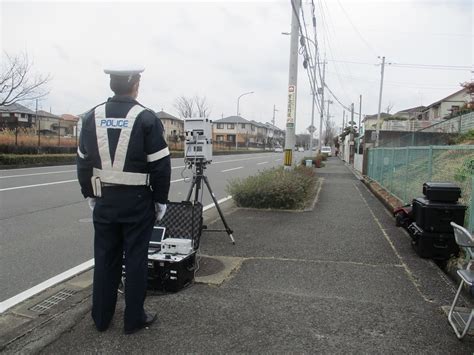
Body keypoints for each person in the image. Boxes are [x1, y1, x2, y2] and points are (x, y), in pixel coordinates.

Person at [77, 66, 171, 334]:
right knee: (136, 259)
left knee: (105, 258)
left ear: (112, 85)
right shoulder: (146, 118)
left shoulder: (91, 117)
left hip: (104, 199)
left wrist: (89, 194)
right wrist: (160, 201)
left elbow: (83, 162)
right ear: (135, 84)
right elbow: (161, 166)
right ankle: (133, 319)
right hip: (137, 202)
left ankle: (101, 318)